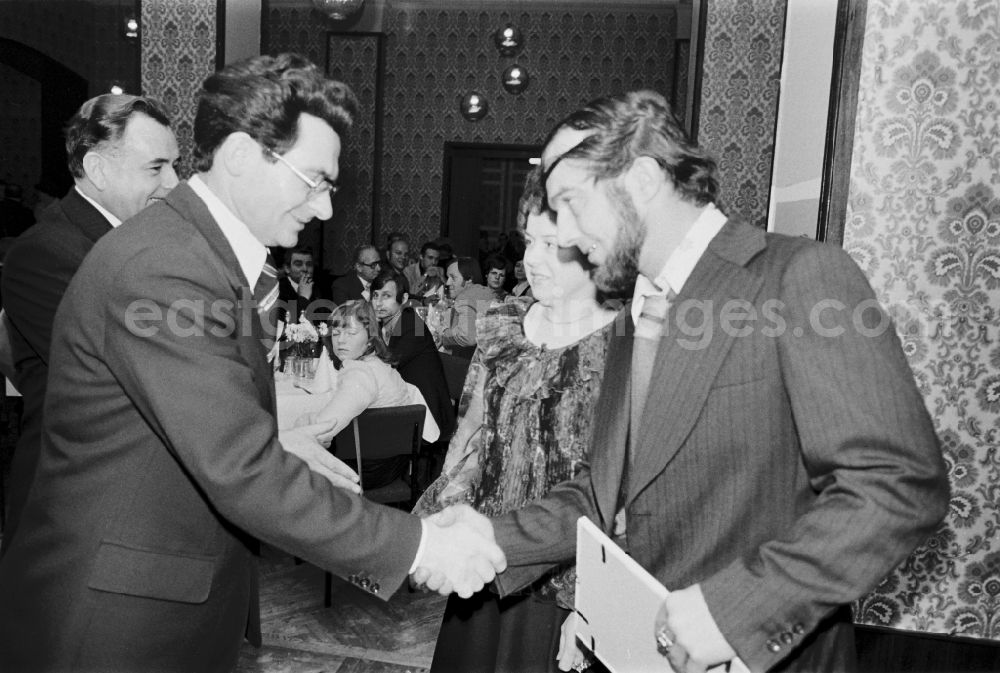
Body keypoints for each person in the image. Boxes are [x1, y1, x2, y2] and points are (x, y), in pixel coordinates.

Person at [0, 53, 504, 673]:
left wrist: (280, 440)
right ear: (241, 154)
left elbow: (185, 423)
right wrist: (418, 542)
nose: (324, 209)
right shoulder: (166, 264)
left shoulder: (195, 252)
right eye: (315, 180)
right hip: (115, 622)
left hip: (163, 601)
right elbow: (237, 469)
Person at [464, 90, 948, 673]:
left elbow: (897, 484)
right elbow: (609, 495)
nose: (563, 234)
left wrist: (736, 609)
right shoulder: (632, 316)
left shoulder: (801, 276)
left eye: (569, 201)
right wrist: (494, 544)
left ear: (640, 177)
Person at [415, 167, 619, 673]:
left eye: (553, 244)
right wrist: (435, 535)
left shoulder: (625, 346)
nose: (532, 259)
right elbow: (470, 441)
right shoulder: (504, 326)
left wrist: (593, 608)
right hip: (487, 566)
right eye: (529, 241)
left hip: (564, 583)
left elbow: (622, 496)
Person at [0, 93, 180, 550]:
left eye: (175, 165)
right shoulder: (46, 253)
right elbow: (127, 375)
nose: (175, 182)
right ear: (99, 170)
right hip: (79, 510)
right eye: (156, 168)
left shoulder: (154, 241)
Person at [370, 270, 455, 440]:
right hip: (402, 404)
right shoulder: (383, 324)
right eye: (375, 295)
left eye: (386, 296)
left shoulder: (412, 327)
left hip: (425, 415)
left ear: (403, 299)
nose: (378, 303)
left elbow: (388, 363)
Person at [435, 255, 495, 358]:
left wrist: (444, 334)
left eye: (453, 278)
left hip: (468, 363)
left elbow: (467, 337)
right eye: (447, 277)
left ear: (469, 279)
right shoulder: (487, 292)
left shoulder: (464, 297)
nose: (448, 283)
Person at [278, 243, 332, 324]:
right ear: (287, 269)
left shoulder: (321, 288)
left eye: (309, 264)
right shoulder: (279, 290)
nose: (305, 269)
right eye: (298, 264)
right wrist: (303, 298)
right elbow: (288, 325)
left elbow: (325, 322)